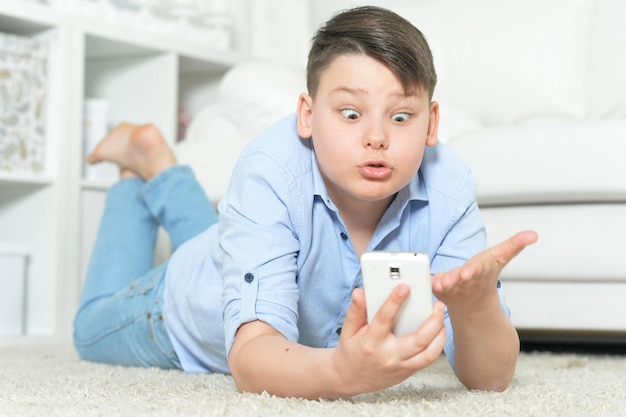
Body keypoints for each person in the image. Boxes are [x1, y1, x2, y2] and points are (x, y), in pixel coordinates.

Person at [73, 6, 538, 399]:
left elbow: (490, 380)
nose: (376, 137)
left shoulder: (450, 187)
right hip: (179, 307)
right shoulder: (268, 169)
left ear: (432, 123)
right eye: (351, 114)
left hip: (231, 248)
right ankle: (140, 173)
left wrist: (477, 308)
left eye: (401, 116)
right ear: (308, 115)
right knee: (88, 328)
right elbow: (252, 357)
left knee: (219, 240)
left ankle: (161, 168)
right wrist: (341, 373)